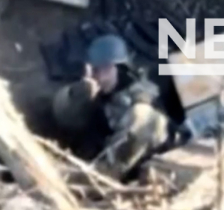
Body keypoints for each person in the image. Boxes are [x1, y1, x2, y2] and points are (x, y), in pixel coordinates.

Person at [52, 34, 176, 179]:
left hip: (150, 174)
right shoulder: (103, 92)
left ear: (115, 67)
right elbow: (61, 116)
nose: (94, 76)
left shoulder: (141, 110)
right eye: (92, 70)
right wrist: (78, 95)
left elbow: (109, 172)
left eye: (100, 70)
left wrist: (69, 180)